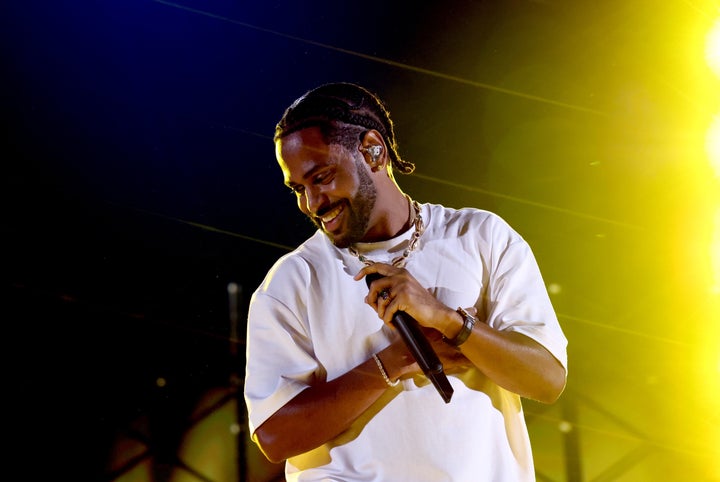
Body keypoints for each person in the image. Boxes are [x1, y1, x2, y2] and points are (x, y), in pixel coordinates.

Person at [243, 82, 568, 482]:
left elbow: (548, 379)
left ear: (373, 151)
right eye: (299, 189)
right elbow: (274, 436)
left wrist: (449, 321)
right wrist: (395, 361)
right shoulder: (292, 281)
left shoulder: (482, 236)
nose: (312, 204)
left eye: (322, 177)